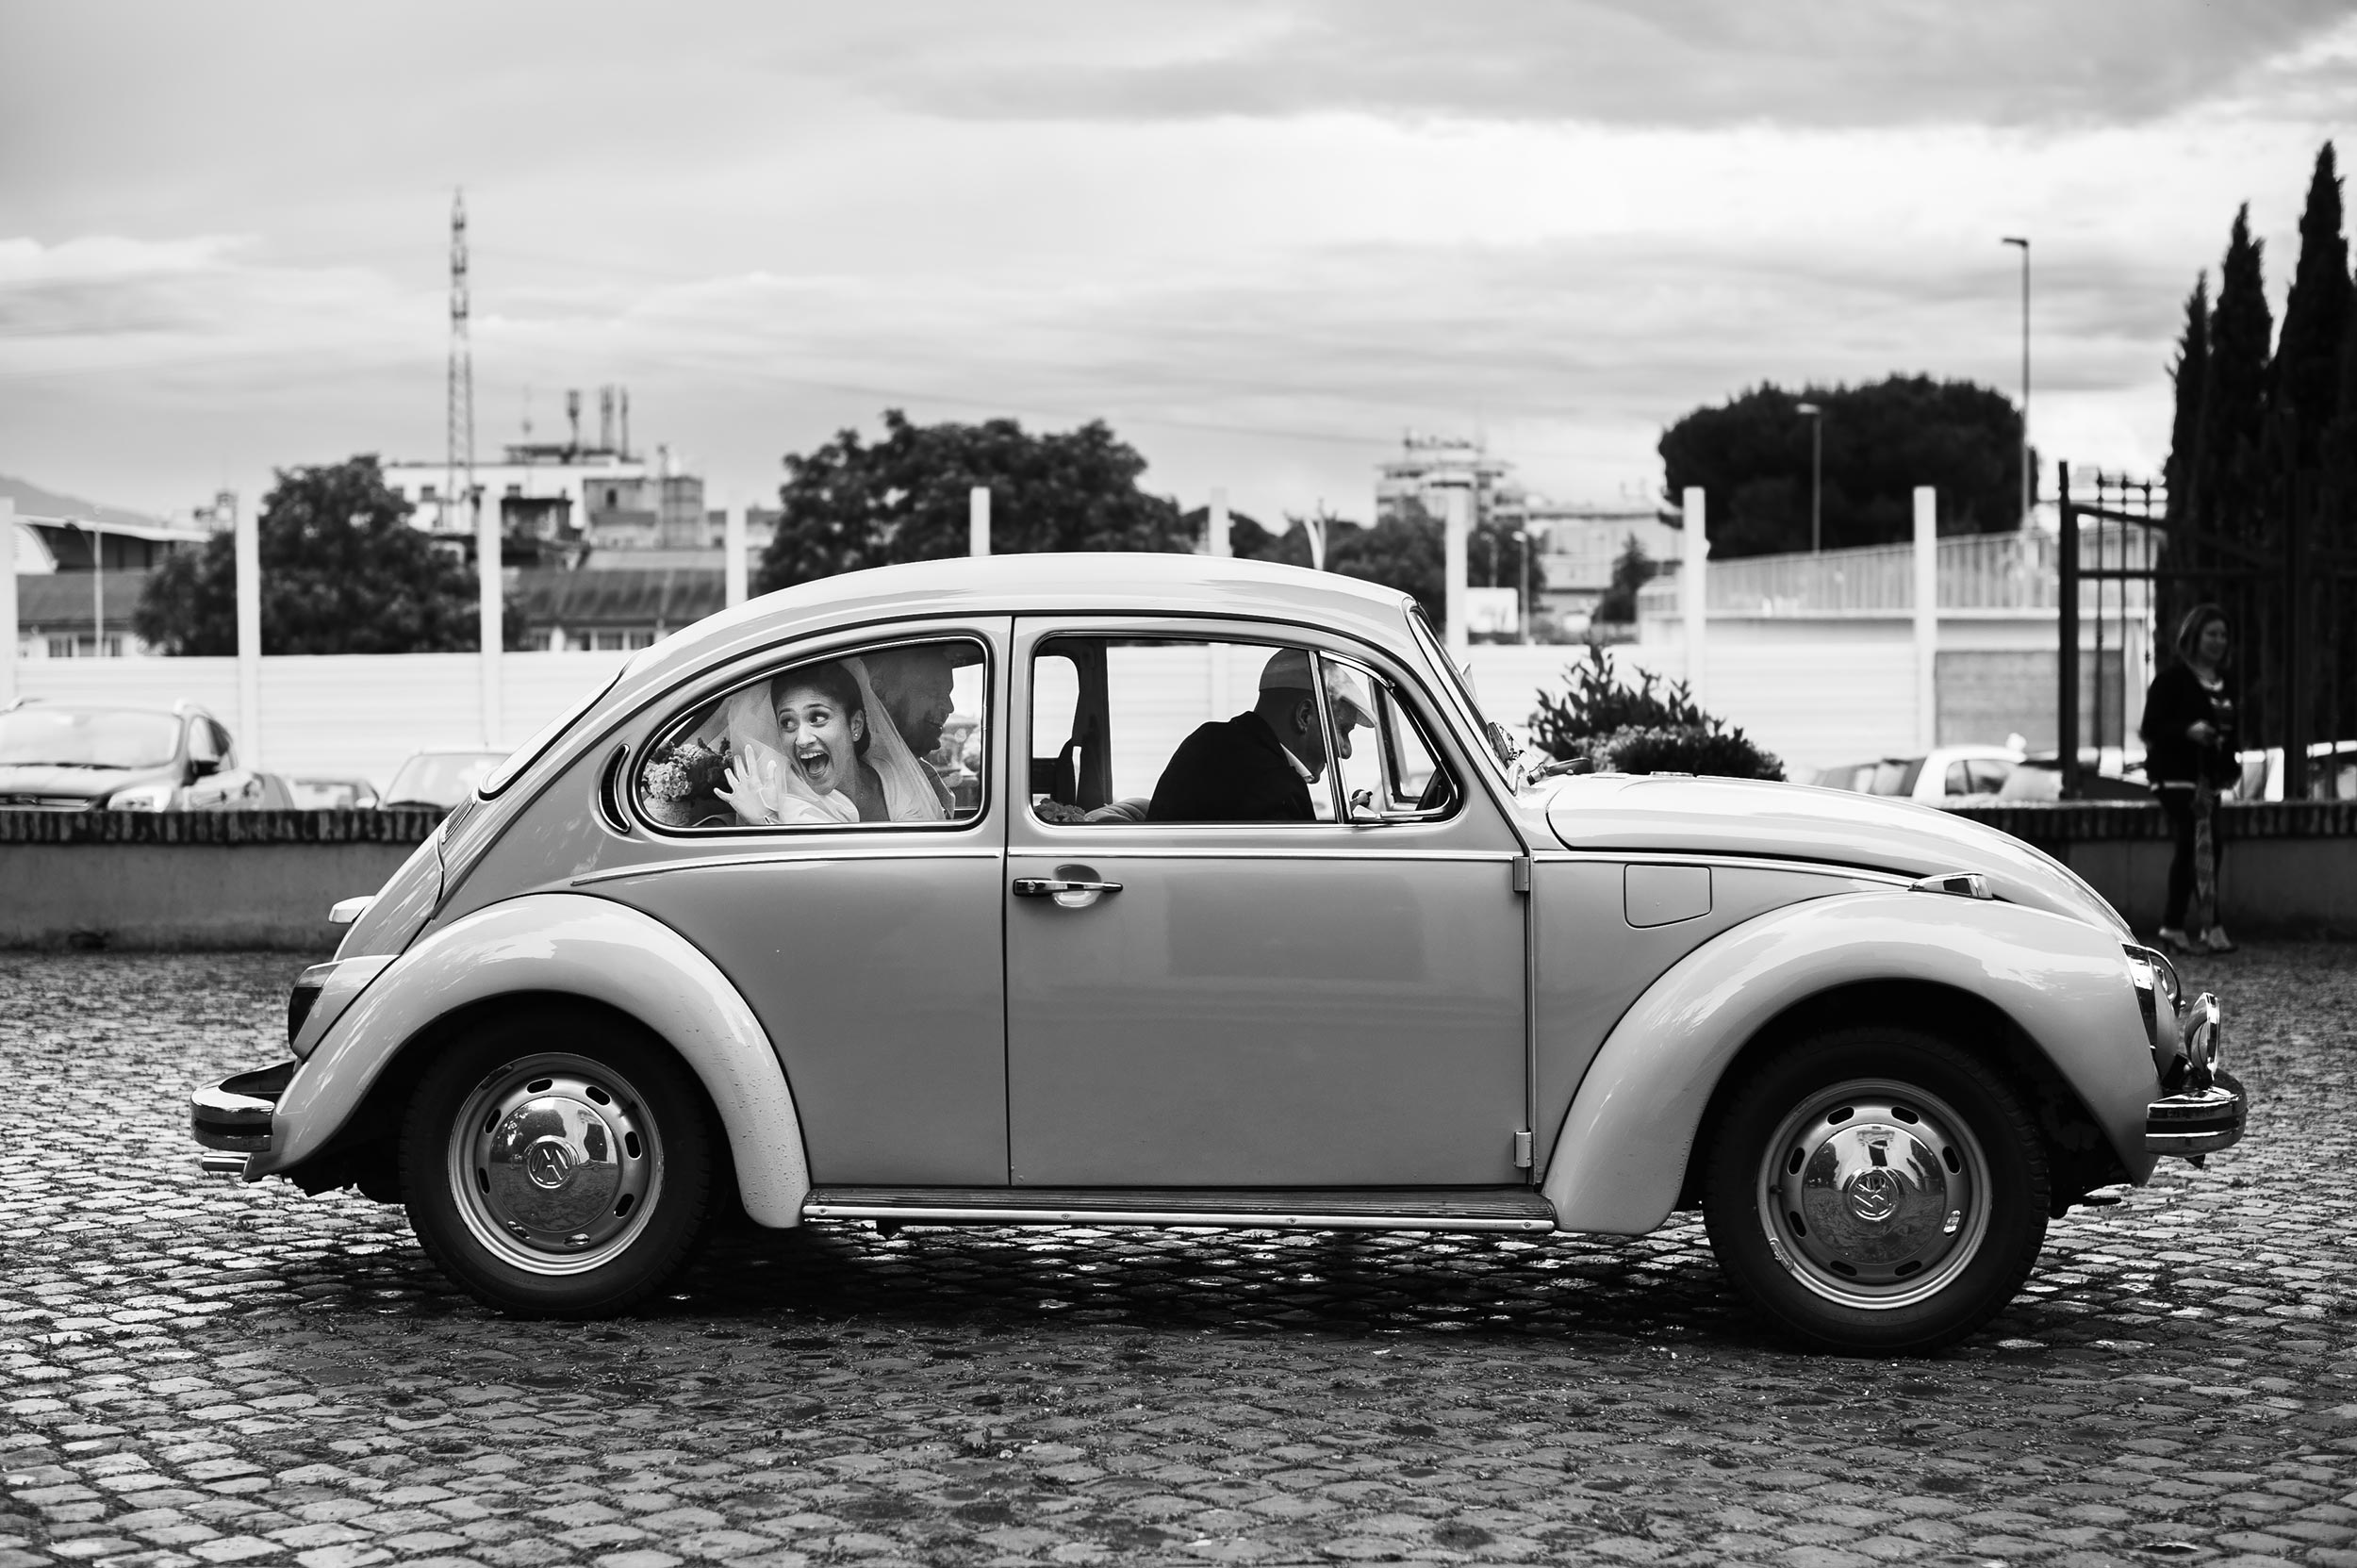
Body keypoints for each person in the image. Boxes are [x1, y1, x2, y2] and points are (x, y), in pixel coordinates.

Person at [1146, 648, 1371, 822]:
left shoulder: (1208, 740)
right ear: (1304, 715)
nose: (1346, 750)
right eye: (1343, 731)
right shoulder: (1274, 784)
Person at [718, 658, 945, 825]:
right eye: (788, 723)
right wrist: (763, 823)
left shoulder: (891, 774)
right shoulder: (793, 807)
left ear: (855, 725)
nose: (802, 739)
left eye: (817, 718)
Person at [2138, 603, 2238, 955]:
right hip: (2175, 777)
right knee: (2195, 844)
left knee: (2209, 847)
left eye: (2223, 635)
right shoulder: (2171, 680)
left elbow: (2232, 734)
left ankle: (2182, 925)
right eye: (2211, 633)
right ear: (2194, 636)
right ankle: (2198, 925)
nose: (2218, 641)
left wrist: (2229, 766)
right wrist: (2187, 731)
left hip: (2207, 782)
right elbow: (2151, 728)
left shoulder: (2226, 685)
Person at [863, 644, 960, 815]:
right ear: (880, 693)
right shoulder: (870, 782)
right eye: (934, 691)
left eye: (948, 693)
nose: (950, 707)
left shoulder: (915, 767)